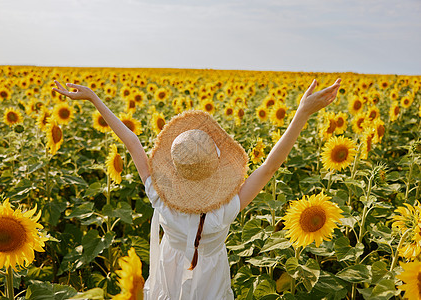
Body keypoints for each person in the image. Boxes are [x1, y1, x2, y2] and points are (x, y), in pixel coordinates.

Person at [53, 77, 341, 300]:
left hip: (170, 272)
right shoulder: (225, 210)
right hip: (211, 278)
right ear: (215, 167)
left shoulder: (160, 197)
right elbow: (269, 167)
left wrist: (93, 98)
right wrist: (302, 113)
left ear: (175, 168)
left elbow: (132, 141)